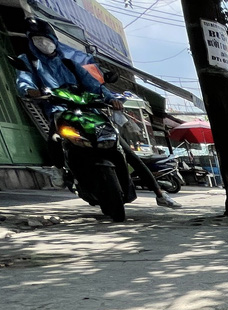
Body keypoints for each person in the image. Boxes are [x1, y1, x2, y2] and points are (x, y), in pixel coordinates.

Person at [14, 19, 180, 208]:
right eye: (37, 40)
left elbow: (94, 85)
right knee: (54, 138)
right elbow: (23, 82)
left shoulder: (69, 63)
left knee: (125, 150)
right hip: (60, 110)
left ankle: (159, 193)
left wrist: (111, 99)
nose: (43, 43)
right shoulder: (29, 61)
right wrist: (32, 91)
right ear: (30, 41)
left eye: (45, 39)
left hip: (89, 110)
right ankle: (59, 169)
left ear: (53, 39)